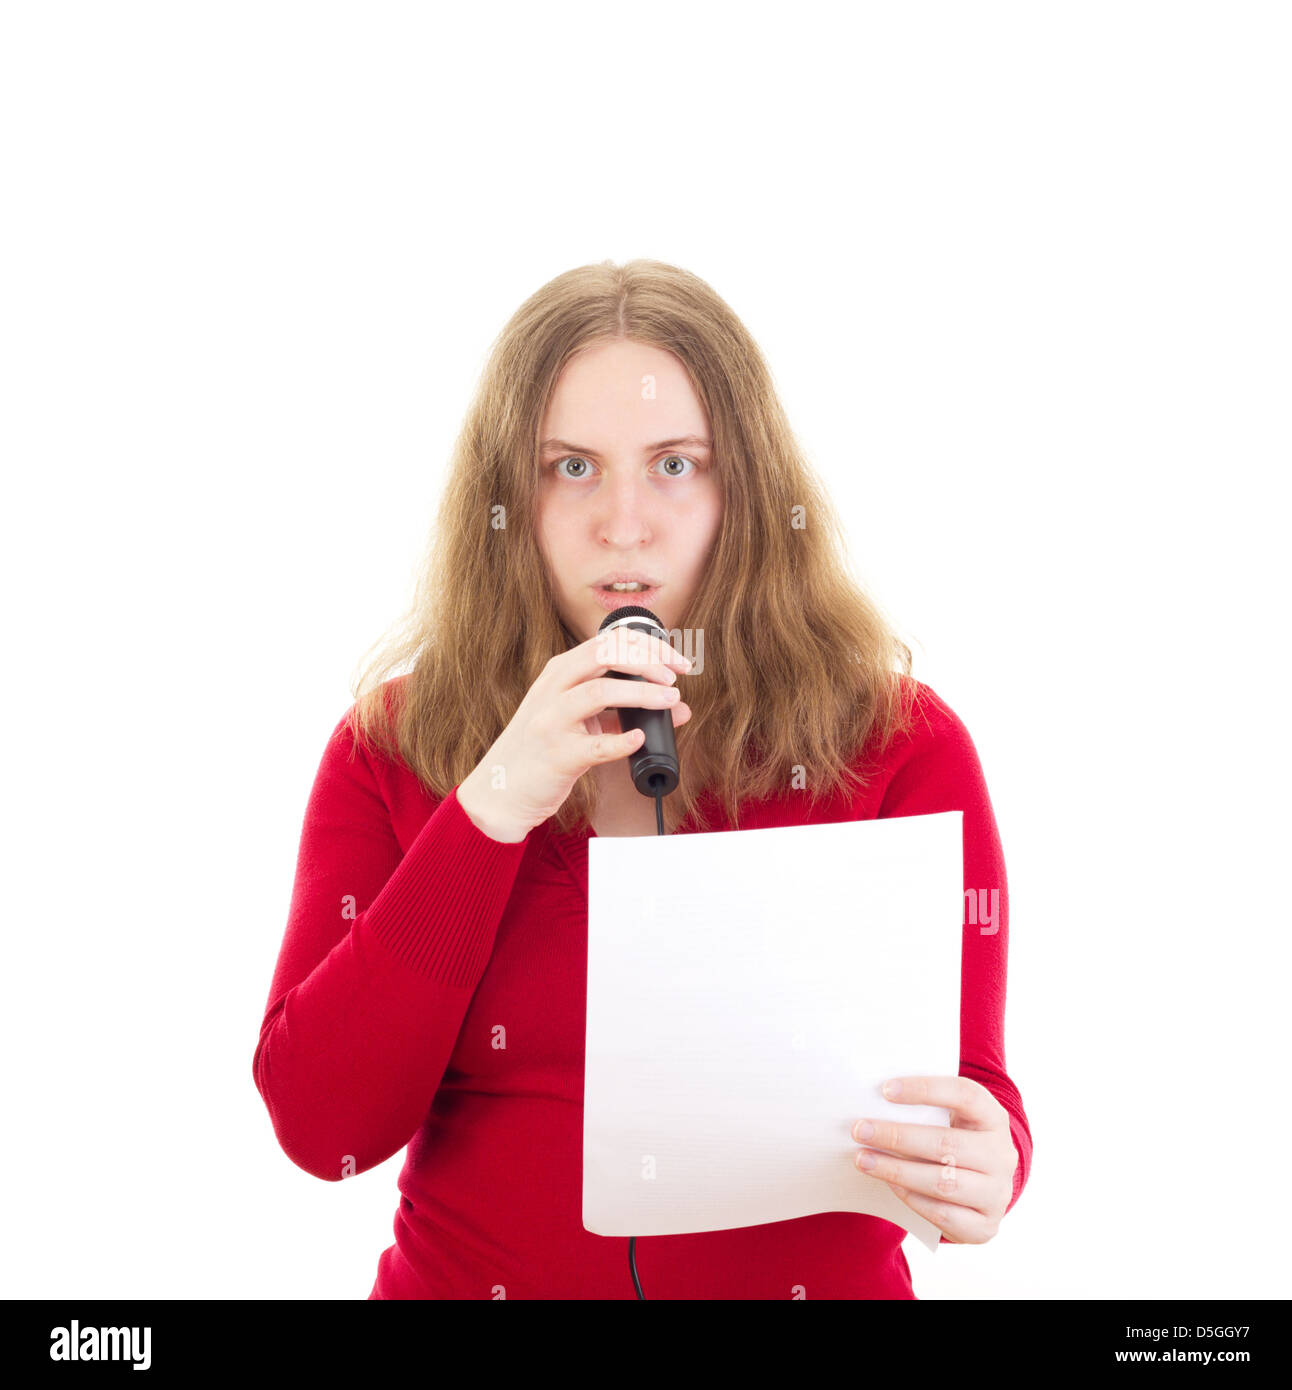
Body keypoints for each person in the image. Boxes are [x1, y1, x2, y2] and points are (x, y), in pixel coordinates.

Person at [251, 258, 1032, 1299]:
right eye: (570, 467)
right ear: (507, 497)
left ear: (744, 487)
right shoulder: (393, 743)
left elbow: (966, 1093)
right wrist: (489, 809)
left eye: (675, 464)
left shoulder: (897, 742)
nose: (625, 524)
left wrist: (990, 1164)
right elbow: (322, 1127)